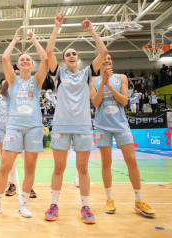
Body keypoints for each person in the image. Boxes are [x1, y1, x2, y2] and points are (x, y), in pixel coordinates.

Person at [45, 12, 108, 224]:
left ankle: (86, 206)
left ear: (78, 58)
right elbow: (49, 52)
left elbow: (103, 52)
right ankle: (53, 204)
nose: (71, 56)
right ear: (64, 60)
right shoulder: (59, 75)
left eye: (74, 54)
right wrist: (56, 27)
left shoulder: (87, 73)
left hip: (83, 127)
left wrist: (91, 31)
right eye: (68, 55)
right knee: (59, 168)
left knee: (83, 169)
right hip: (62, 126)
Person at [0, 27, 47, 218]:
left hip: (34, 128)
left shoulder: (37, 81)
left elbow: (46, 59)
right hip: (14, 127)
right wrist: (14, 40)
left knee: (30, 168)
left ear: (31, 64)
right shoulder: (13, 81)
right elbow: (4, 59)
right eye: (22, 59)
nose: (25, 61)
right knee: (4, 166)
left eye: (28, 59)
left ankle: (23, 204)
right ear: (18, 65)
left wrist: (34, 39)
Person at [90, 54, 155, 217]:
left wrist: (110, 86)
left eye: (109, 59)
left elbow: (124, 101)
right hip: (102, 126)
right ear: (98, 63)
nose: (107, 61)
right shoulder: (93, 81)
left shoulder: (122, 78)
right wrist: (103, 81)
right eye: (104, 59)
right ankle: (109, 199)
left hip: (120, 125)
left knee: (131, 160)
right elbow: (96, 103)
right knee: (106, 162)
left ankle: (139, 201)